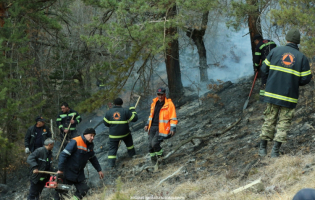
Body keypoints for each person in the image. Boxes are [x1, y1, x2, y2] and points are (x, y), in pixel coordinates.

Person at [259, 28, 312, 157]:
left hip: (272, 94)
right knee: (284, 123)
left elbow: (264, 69)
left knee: (269, 120)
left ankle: (262, 149)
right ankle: (275, 152)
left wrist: (271, 78)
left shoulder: (275, 51)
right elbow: (306, 79)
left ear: (287, 39)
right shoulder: (302, 58)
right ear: (297, 42)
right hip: (289, 97)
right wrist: (294, 82)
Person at [55, 128, 103, 200]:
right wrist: (60, 170)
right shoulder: (75, 141)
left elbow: (93, 159)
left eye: (93, 136)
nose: (92, 138)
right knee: (61, 192)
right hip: (68, 172)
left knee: (83, 190)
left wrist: (99, 170)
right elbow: (63, 155)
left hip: (79, 173)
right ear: (85, 134)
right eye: (91, 135)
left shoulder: (89, 145)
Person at [144, 87, 178, 164]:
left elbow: (173, 117)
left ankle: (161, 159)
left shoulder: (169, 104)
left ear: (165, 94)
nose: (160, 96)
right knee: (150, 146)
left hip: (161, 128)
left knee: (155, 144)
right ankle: (154, 162)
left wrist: (173, 128)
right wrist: (147, 124)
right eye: (158, 94)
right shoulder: (154, 103)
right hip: (152, 127)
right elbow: (151, 115)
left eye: (161, 94)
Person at [103, 98, 138, 168]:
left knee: (112, 150)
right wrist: (133, 110)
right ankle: (133, 156)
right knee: (129, 144)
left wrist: (113, 125)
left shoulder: (109, 112)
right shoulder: (125, 111)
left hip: (113, 135)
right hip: (125, 134)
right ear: (122, 103)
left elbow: (105, 123)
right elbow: (135, 118)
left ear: (114, 104)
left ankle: (111, 165)